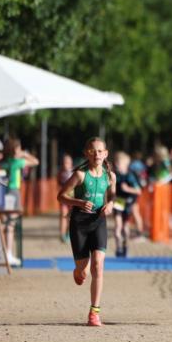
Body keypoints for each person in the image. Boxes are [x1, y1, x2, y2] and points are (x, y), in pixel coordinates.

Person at [57, 137, 116, 327]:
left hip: (98, 221)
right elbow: (61, 196)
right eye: (92, 151)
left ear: (105, 154)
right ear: (86, 154)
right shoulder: (80, 175)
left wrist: (110, 204)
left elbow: (113, 195)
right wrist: (79, 202)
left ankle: (94, 313)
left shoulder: (110, 176)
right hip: (79, 223)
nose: (96, 154)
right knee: (83, 272)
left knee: (98, 265)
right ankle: (77, 271)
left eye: (100, 151)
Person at [0, 138, 39, 266]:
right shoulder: (17, 162)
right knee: (11, 224)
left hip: (2, 192)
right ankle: (8, 253)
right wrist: (25, 154)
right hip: (13, 192)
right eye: (19, 148)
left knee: (4, 222)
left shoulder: (3, 162)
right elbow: (35, 162)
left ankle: (3, 252)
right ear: (15, 150)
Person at [112, 151, 143, 257]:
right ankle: (118, 247)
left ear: (125, 164)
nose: (116, 165)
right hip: (119, 201)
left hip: (128, 202)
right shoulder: (115, 175)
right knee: (118, 226)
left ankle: (125, 245)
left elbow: (138, 191)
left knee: (125, 226)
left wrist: (128, 189)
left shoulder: (130, 176)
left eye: (119, 163)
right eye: (116, 162)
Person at [57, 154, 75, 243]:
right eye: (64, 162)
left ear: (71, 163)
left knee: (70, 217)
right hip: (64, 198)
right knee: (63, 215)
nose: (65, 164)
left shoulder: (74, 172)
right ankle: (62, 235)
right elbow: (58, 183)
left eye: (67, 162)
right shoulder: (60, 173)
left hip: (72, 199)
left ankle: (69, 233)